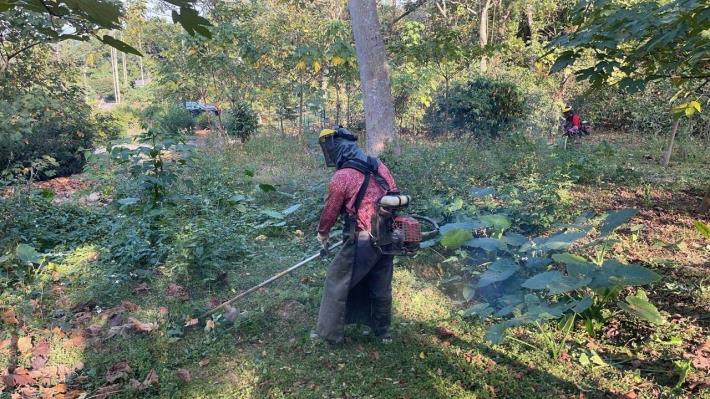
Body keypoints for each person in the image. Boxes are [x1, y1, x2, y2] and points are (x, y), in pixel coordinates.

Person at [313, 126, 398, 345]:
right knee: (380, 283)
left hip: (362, 238)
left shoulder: (342, 177)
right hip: (388, 236)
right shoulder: (380, 166)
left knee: (336, 281)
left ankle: (328, 334)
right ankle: (383, 332)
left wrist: (323, 234)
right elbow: (394, 193)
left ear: (339, 150)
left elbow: (330, 210)